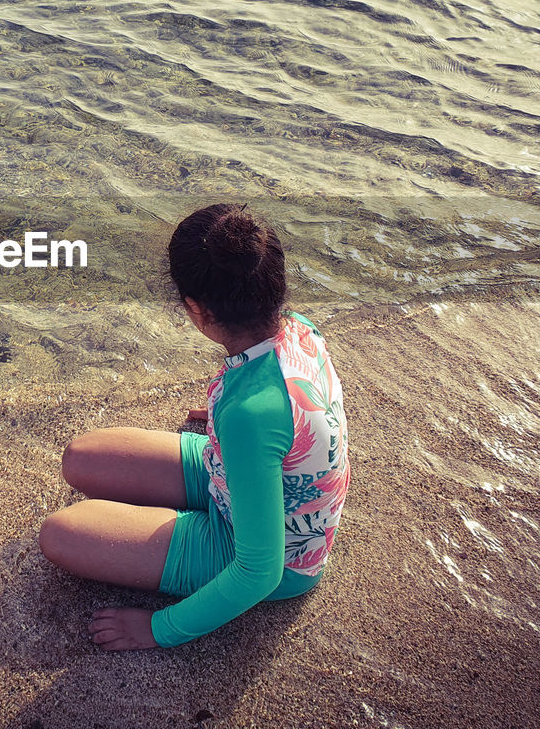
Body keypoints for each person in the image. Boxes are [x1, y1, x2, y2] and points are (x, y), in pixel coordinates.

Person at [38, 203, 350, 650]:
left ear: (196, 310)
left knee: (60, 533)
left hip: (276, 560)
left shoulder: (251, 414)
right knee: (80, 457)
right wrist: (236, 428)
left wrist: (159, 628)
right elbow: (305, 410)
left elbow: (259, 572)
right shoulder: (297, 328)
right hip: (242, 476)